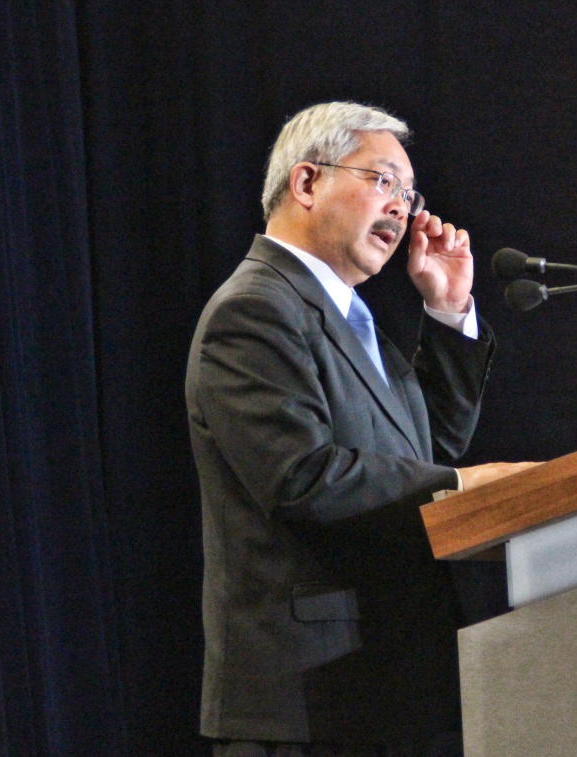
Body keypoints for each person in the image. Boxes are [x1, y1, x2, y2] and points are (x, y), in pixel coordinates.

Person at [186, 102, 532, 757]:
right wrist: (463, 484)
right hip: (312, 704)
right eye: (382, 182)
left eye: (410, 193)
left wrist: (447, 308)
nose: (402, 209)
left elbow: (426, 446)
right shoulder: (255, 310)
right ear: (307, 182)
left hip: (387, 686)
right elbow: (303, 477)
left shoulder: (346, 316)